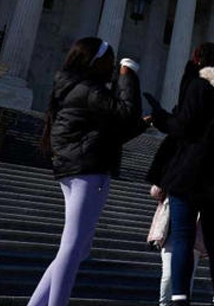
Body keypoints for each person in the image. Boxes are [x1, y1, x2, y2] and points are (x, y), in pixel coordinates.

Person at [27, 37, 142, 306]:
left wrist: (142, 126)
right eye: (110, 61)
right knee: (72, 247)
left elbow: (109, 130)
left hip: (72, 167)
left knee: (78, 248)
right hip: (88, 170)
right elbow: (127, 113)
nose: (112, 67)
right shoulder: (90, 89)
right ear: (96, 62)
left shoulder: (71, 88)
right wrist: (128, 76)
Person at [146, 43, 214, 306]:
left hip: (190, 169)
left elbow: (182, 126)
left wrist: (160, 117)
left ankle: (180, 300)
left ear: (198, 60)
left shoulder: (200, 85)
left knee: (183, 238)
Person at [147, 185, 204, 306]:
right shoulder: (175, 179)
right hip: (170, 235)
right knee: (168, 275)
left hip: (193, 237)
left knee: (187, 277)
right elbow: (155, 192)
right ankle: (164, 303)